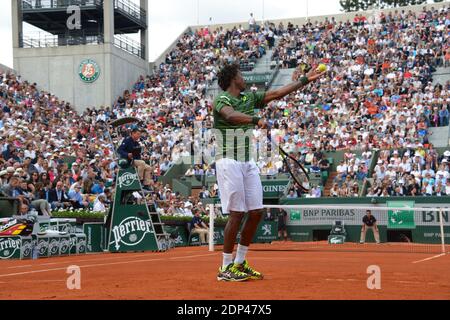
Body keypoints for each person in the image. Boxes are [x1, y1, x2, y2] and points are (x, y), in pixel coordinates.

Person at [214, 63, 325, 282]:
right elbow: (230, 116)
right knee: (237, 214)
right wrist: (255, 119)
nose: (244, 78)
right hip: (228, 161)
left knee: (256, 212)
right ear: (232, 79)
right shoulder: (222, 100)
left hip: (248, 162)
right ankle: (225, 267)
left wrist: (305, 80)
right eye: (240, 75)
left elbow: (277, 93)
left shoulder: (249, 98)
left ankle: (240, 262)